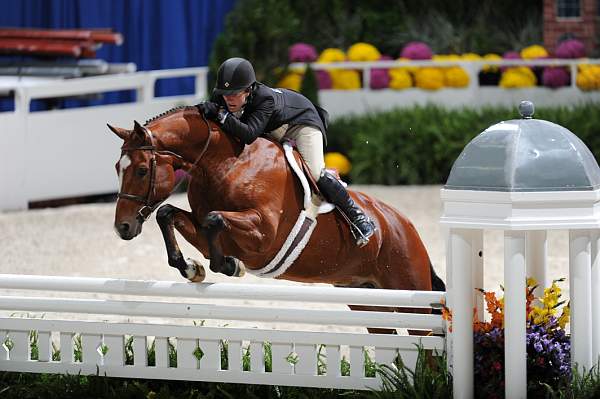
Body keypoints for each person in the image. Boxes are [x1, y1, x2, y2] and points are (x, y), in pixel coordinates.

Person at [197, 57, 375, 247]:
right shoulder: (222, 95)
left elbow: (248, 134)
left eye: (234, 94)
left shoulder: (264, 98)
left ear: (248, 90)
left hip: (302, 124)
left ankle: (359, 218)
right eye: (225, 94)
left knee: (315, 173)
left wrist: (221, 115)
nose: (228, 99)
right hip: (273, 127)